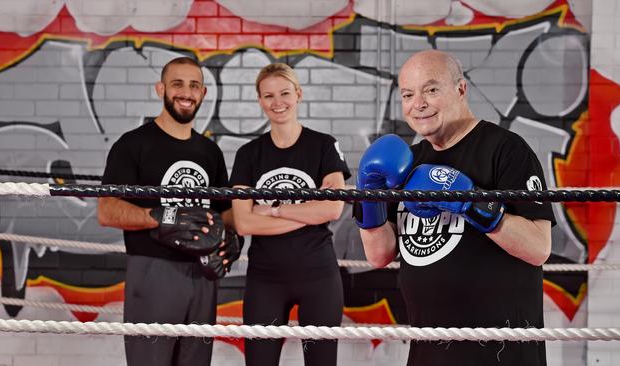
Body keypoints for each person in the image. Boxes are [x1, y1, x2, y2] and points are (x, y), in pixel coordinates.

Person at [355, 49, 555, 365]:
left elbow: (539, 247)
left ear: (460, 89)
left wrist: (471, 201)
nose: (417, 104)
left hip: (500, 351)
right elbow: (379, 254)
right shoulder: (411, 160)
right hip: (428, 348)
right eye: (408, 94)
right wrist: (369, 196)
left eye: (431, 90)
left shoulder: (505, 150)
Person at [97, 57, 240, 366]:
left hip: (203, 273)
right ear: (160, 88)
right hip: (153, 271)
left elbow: (225, 213)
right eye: (177, 84)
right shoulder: (133, 144)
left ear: (202, 94)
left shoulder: (209, 151)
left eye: (194, 86)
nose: (186, 93)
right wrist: (159, 216)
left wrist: (232, 237)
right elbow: (107, 210)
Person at [230, 63, 350, 366]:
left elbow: (333, 208)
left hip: (318, 275)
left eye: (285, 93)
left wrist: (273, 210)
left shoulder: (323, 145)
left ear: (298, 94)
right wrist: (309, 212)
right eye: (268, 95)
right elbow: (244, 222)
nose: (277, 102)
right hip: (265, 278)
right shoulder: (248, 154)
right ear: (259, 100)